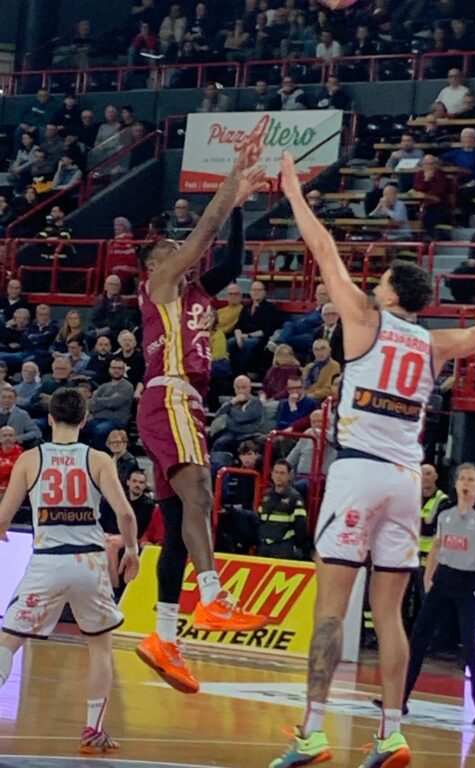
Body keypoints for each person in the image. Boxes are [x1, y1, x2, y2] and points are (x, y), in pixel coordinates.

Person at [271, 149, 475, 768]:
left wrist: (294, 190)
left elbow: (322, 248)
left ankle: (312, 733)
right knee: (390, 613)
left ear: (391, 292)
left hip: (357, 470)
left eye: (379, 283)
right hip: (406, 482)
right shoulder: (433, 344)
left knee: (331, 610)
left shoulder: (364, 320)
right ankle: (392, 734)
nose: (371, 287)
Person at [135, 141, 270, 694]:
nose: (181, 252)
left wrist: (238, 207)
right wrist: (231, 181)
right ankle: (213, 596)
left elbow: (231, 262)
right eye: (171, 248)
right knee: (197, 494)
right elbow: (202, 234)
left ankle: (164, 639)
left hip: (180, 401)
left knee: (176, 531)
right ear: (155, 264)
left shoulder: (194, 291)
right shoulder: (161, 284)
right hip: (170, 395)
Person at [0, 388, 140, 753]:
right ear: (85, 419)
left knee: (9, 641)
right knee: (100, 647)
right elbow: (125, 514)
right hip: (90, 562)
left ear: (49, 419)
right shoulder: (98, 459)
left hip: (47, 560)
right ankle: (93, 730)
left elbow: (3, 517)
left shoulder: (30, 459)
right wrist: (132, 551)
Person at [403, 464, 475, 727]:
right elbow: (436, 545)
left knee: (470, 645)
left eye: (471, 480)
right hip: (443, 580)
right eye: (462, 479)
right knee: (418, 639)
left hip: (469, 585)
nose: (466, 484)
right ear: (456, 484)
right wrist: (428, 578)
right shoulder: (444, 511)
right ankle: (400, 699)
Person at [257, 459, 308, 560]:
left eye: (282, 473)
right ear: (272, 474)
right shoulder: (266, 495)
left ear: (289, 476)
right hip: (264, 546)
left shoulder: (295, 498)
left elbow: (300, 526)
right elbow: (259, 519)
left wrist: (297, 546)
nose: (278, 476)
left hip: (284, 547)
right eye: (276, 472)